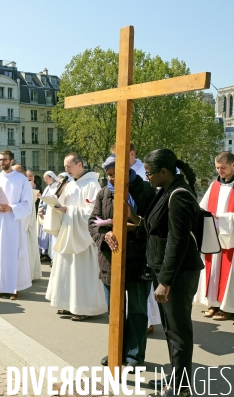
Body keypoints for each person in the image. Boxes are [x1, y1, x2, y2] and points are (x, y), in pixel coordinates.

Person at [127, 148, 203, 397]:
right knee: (171, 328)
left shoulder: (179, 196)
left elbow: (177, 241)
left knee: (179, 330)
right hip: (164, 271)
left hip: (178, 274)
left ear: (164, 171)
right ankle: (176, 377)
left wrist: (165, 282)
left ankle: (181, 388)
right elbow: (157, 228)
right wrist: (137, 220)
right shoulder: (165, 192)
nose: (147, 176)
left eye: (149, 173)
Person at [89, 154, 156, 367]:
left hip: (138, 261)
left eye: (113, 174)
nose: (109, 179)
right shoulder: (103, 194)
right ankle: (115, 350)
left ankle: (134, 356)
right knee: (114, 310)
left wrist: (134, 219)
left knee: (137, 311)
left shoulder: (146, 191)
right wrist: (104, 235)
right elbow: (93, 222)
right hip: (110, 261)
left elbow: (155, 226)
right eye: (107, 175)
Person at [194, 151, 234, 321]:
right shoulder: (214, 185)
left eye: (223, 167)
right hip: (215, 236)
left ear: (233, 164)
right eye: (217, 167)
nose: (219, 171)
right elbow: (203, 208)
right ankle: (213, 304)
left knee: (231, 273)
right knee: (213, 270)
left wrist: (224, 219)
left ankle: (227, 307)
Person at [43, 153, 106, 321]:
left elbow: (94, 212)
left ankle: (84, 307)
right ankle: (66, 303)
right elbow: (59, 205)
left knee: (82, 273)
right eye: (64, 166)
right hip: (68, 232)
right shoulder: (69, 185)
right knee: (65, 270)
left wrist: (69, 210)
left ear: (79, 165)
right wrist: (56, 200)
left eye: (69, 166)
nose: (66, 169)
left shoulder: (92, 184)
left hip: (82, 236)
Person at [0, 150, 32, 300]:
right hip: (0, 221)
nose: (2, 162)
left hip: (14, 221)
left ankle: (14, 288)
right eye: (0, 160)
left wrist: (12, 207)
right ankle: (0, 287)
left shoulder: (21, 179)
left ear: (11, 161)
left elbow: (27, 202)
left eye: (5, 160)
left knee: (13, 255)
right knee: (0, 254)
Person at [13, 164, 42, 280]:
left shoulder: (26, 188)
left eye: (15, 172)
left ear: (21, 174)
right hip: (17, 224)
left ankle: (27, 275)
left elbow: (27, 208)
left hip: (25, 226)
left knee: (27, 252)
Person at [38, 171, 58, 263]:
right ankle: (44, 253)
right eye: (44, 178)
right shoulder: (47, 187)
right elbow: (44, 199)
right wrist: (41, 207)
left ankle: (51, 256)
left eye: (46, 178)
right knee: (44, 235)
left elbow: (53, 200)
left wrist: (44, 206)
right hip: (45, 214)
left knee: (51, 236)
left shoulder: (56, 187)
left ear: (52, 177)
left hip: (51, 214)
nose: (45, 180)